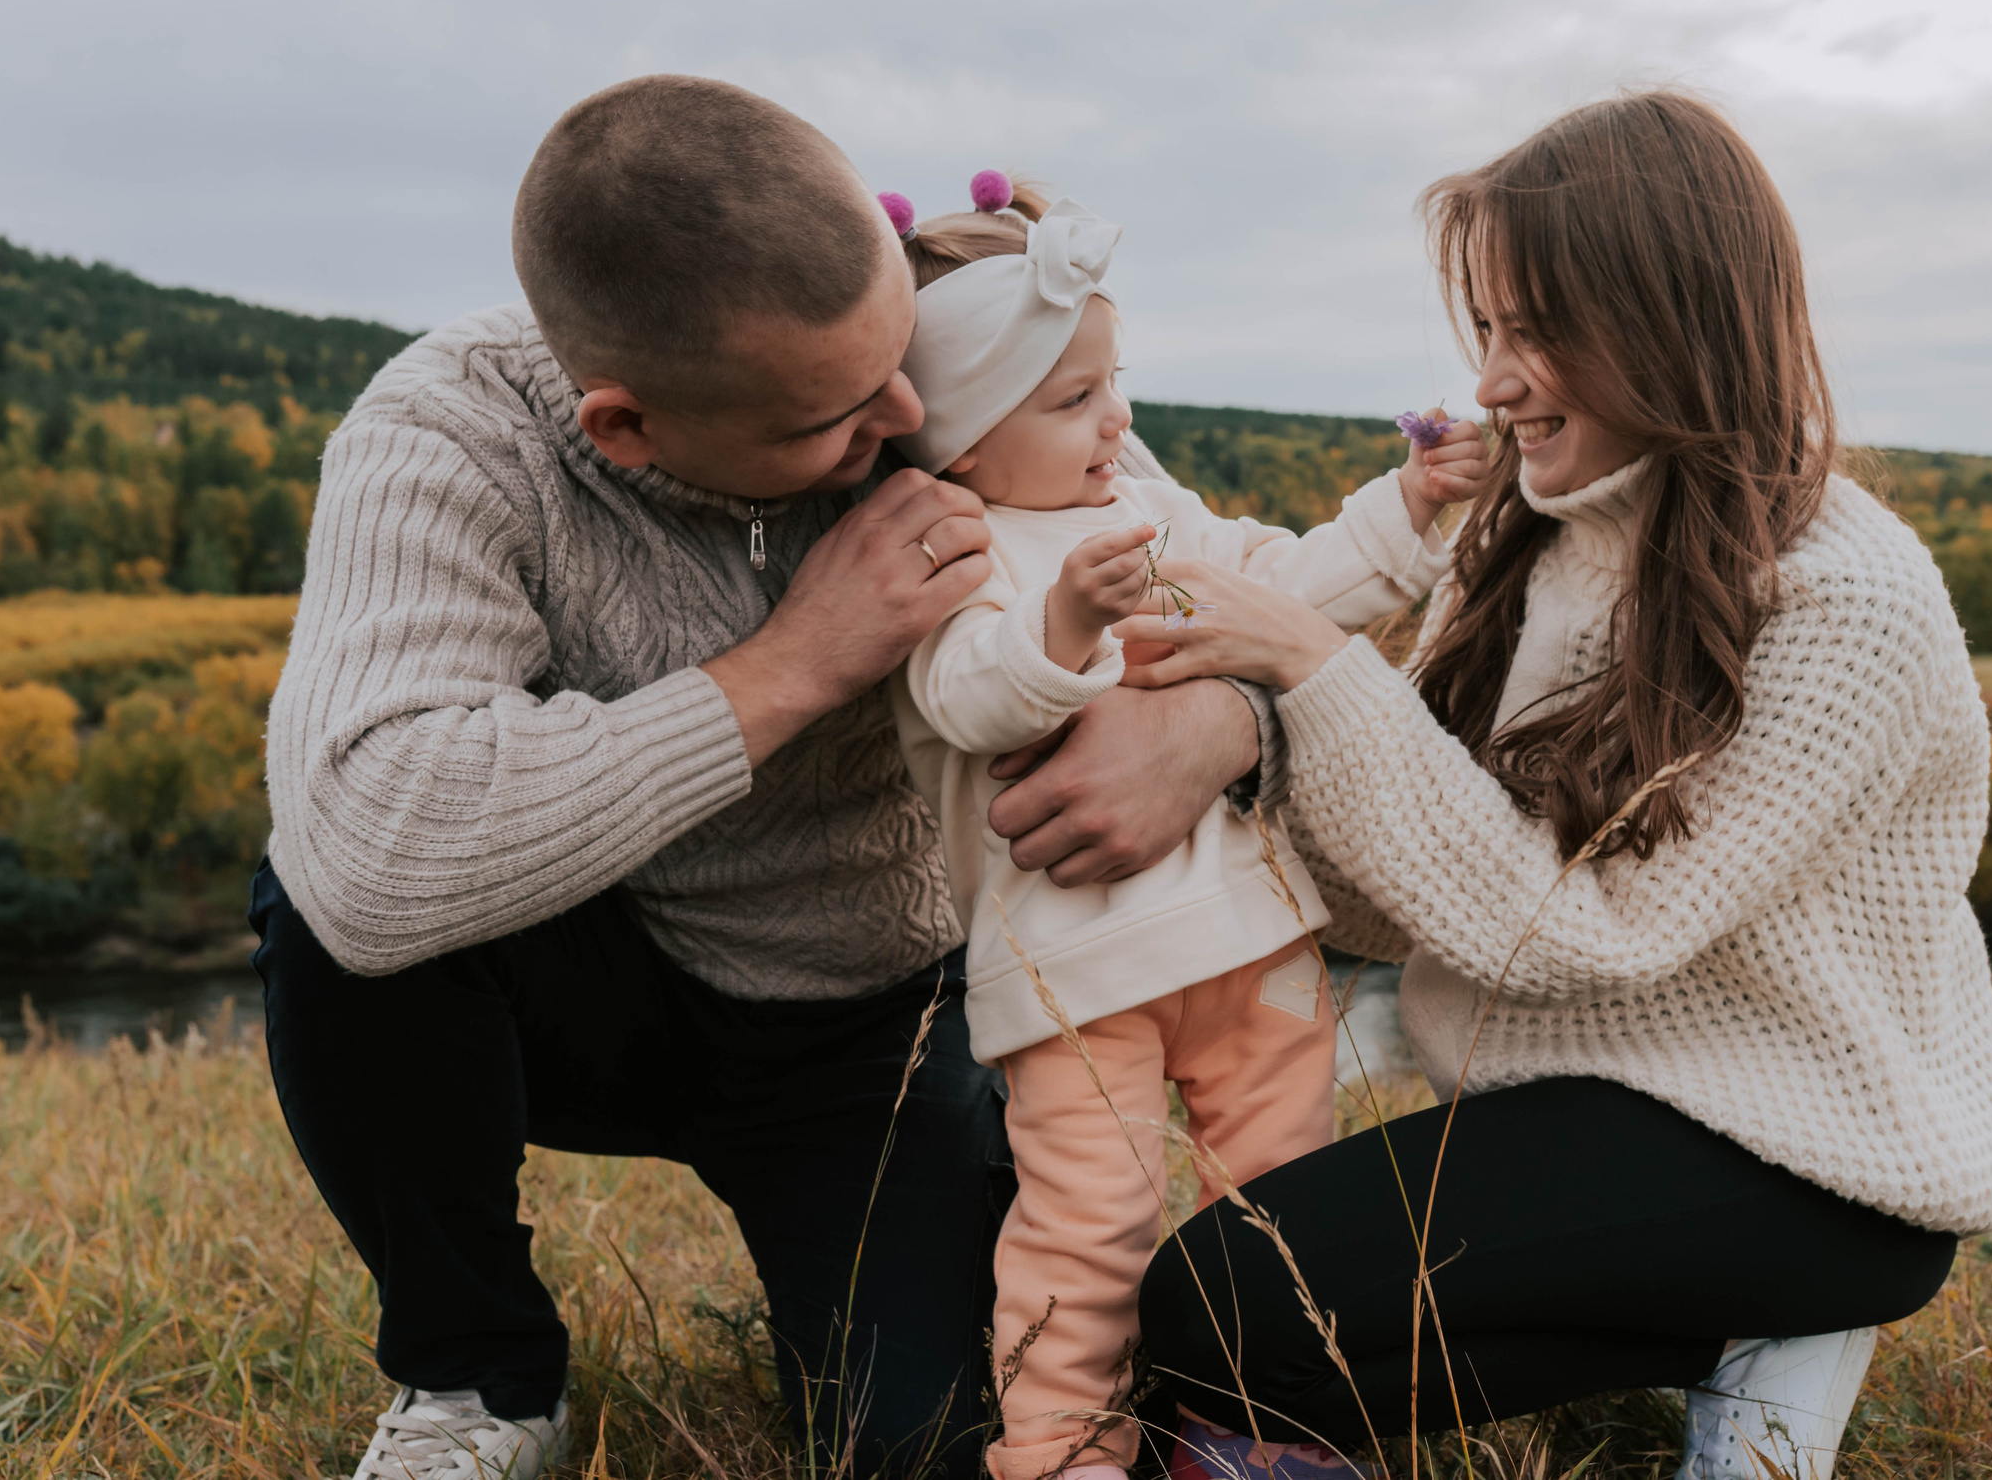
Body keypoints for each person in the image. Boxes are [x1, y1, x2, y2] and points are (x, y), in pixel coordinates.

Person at [254, 76, 1288, 1480]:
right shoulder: (456, 427)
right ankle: (481, 1382)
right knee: (328, 901)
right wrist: (794, 664)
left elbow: (1212, 570)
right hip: (598, 976)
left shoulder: (937, 341)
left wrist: (1221, 720)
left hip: (875, 1015)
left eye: (898, 364)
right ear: (625, 425)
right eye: (838, 417)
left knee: (930, 1444)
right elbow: (371, 843)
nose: (912, 415)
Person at [1117, 93, 1992, 1480]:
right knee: (1194, 1330)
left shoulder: (1847, 597)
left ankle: (1779, 1311)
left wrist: (1316, 667)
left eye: (1537, 332)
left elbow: (1587, 932)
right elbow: (1387, 900)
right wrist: (1244, 731)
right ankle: (1710, 1334)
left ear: (1672, 323)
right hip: (1588, 1106)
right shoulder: (1532, 538)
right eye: (1484, 330)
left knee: (1221, 1319)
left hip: (1815, 1161)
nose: (1491, 382)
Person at [875, 175, 1487, 1480]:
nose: (1119, 417)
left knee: (1281, 1207)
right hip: (1080, 980)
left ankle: (1260, 1430)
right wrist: (1068, 631)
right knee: (1088, 1228)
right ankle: (1064, 1452)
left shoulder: (1151, 519)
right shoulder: (952, 551)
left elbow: (1290, 585)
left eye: (1115, 380)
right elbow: (968, 693)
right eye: (1074, 399)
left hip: (1257, 944)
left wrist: (1409, 506)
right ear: (968, 438)